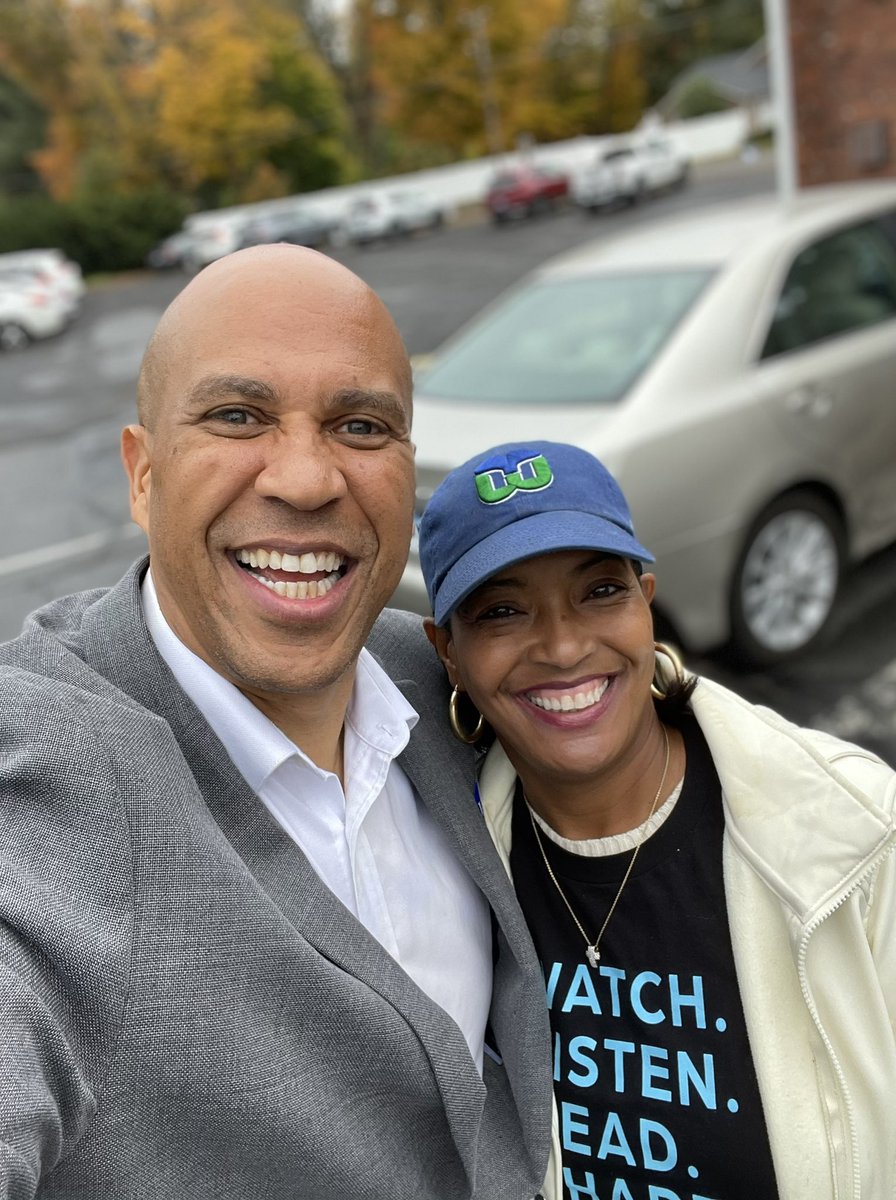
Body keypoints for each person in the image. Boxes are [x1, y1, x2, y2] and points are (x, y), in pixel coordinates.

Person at [0, 247, 552, 1199]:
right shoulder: (52, 783)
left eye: (361, 424)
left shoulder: (434, 676)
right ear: (142, 475)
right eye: (237, 416)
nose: (305, 479)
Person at [418, 439, 896, 1200]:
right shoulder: (439, 856)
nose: (566, 645)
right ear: (447, 652)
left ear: (647, 599)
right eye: (503, 610)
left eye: (600, 592)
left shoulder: (859, 831)